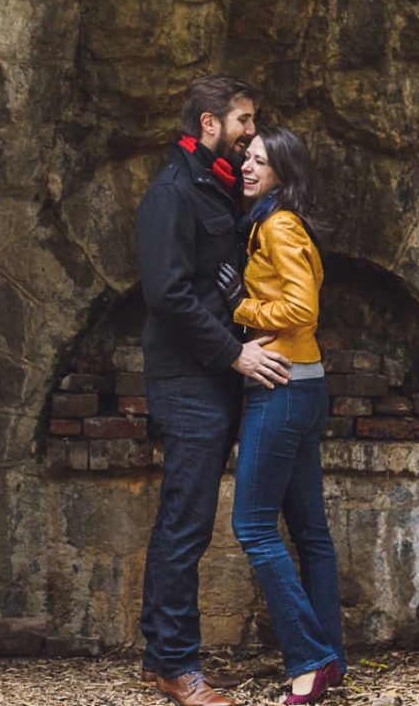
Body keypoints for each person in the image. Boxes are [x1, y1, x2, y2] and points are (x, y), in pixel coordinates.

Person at [136, 76, 295, 706]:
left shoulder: (217, 185)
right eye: (243, 121)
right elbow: (168, 295)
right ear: (209, 123)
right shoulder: (171, 193)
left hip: (215, 378)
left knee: (188, 521)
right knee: (186, 524)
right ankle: (177, 667)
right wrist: (235, 354)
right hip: (187, 380)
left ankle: (164, 658)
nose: (251, 132)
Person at [230, 126, 344, 705]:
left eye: (260, 162)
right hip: (304, 382)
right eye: (246, 159)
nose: (248, 168)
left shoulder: (278, 225)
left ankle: (311, 660)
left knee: (252, 526)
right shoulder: (273, 222)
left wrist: (239, 307)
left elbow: (302, 308)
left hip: (282, 386)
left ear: (283, 172)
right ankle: (331, 659)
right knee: (310, 533)